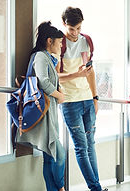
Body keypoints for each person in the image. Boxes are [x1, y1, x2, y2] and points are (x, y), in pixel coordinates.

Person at [57, 7, 107, 191]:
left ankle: (96, 186)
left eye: (78, 28)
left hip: (87, 99)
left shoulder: (87, 41)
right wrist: (76, 75)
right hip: (70, 102)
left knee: (90, 144)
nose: (75, 33)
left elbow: (89, 71)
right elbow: (55, 77)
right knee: (80, 146)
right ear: (64, 24)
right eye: (71, 29)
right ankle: (96, 187)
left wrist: (95, 97)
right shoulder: (59, 43)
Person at [17, 21, 66, 191]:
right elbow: (43, 81)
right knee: (59, 154)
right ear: (49, 41)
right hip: (43, 113)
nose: (61, 45)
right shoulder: (40, 56)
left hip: (48, 112)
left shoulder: (47, 58)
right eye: (59, 42)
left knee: (50, 157)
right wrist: (59, 95)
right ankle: (60, 187)